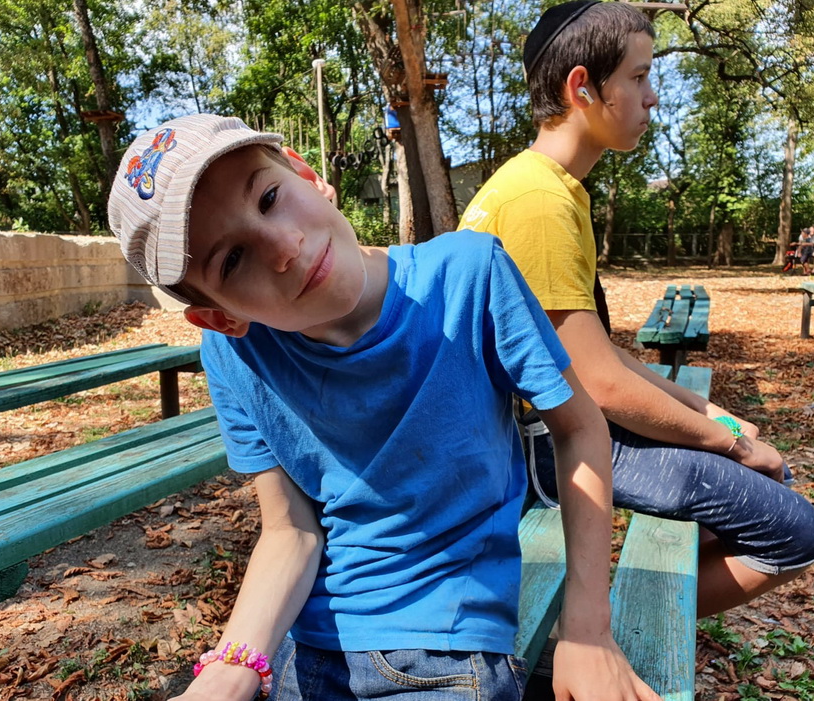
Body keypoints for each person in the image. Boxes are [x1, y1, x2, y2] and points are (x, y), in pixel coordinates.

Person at [108, 113, 660, 701]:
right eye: (233, 260)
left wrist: (588, 630)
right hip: (306, 650)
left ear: (306, 174)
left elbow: (579, 430)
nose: (285, 247)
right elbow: (291, 530)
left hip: (445, 652)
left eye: (269, 197)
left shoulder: (470, 277)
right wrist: (232, 665)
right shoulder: (236, 355)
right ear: (220, 316)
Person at [459, 0, 814, 622]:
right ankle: (620, 630)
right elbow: (599, 384)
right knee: (796, 531)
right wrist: (730, 443)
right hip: (545, 448)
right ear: (582, 87)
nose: (652, 97)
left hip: (558, 428)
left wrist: (712, 415)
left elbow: (596, 352)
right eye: (638, 76)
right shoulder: (538, 202)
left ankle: (620, 624)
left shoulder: (542, 188)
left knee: (767, 479)